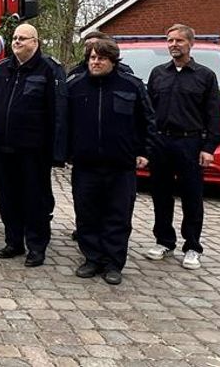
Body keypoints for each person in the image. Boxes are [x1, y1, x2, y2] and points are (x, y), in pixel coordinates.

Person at [67, 39, 155, 285]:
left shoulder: (132, 86)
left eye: (101, 58)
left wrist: (145, 152)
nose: (95, 62)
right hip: (85, 165)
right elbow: (64, 122)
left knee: (117, 215)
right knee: (87, 214)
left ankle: (113, 263)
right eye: (92, 58)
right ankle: (92, 258)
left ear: (113, 61)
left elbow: (148, 122)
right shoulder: (75, 86)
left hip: (121, 166)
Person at [0, 23, 67, 267]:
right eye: (15, 38)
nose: (17, 41)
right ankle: (14, 241)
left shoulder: (49, 70)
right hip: (2, 147)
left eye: (23, 38)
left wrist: (56, 151)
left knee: (34, 200)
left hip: (33, 150)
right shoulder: (3, 69)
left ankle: (37, 246)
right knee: (7, 198)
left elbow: (57, 112)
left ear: (35, 42)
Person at [144, 24, 220, 270]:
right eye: (170, 41)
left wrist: (209, 147)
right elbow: (148, 112)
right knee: (161, 194)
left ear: (190, 43)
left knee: (191, 196)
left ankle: (193, 246)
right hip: (161, 143)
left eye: (178, 40)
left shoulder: (205, 76)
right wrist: (146, 145)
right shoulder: (158, 74)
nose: (173, 45)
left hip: (190, 142)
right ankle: (164, 240)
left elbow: (213, 116)